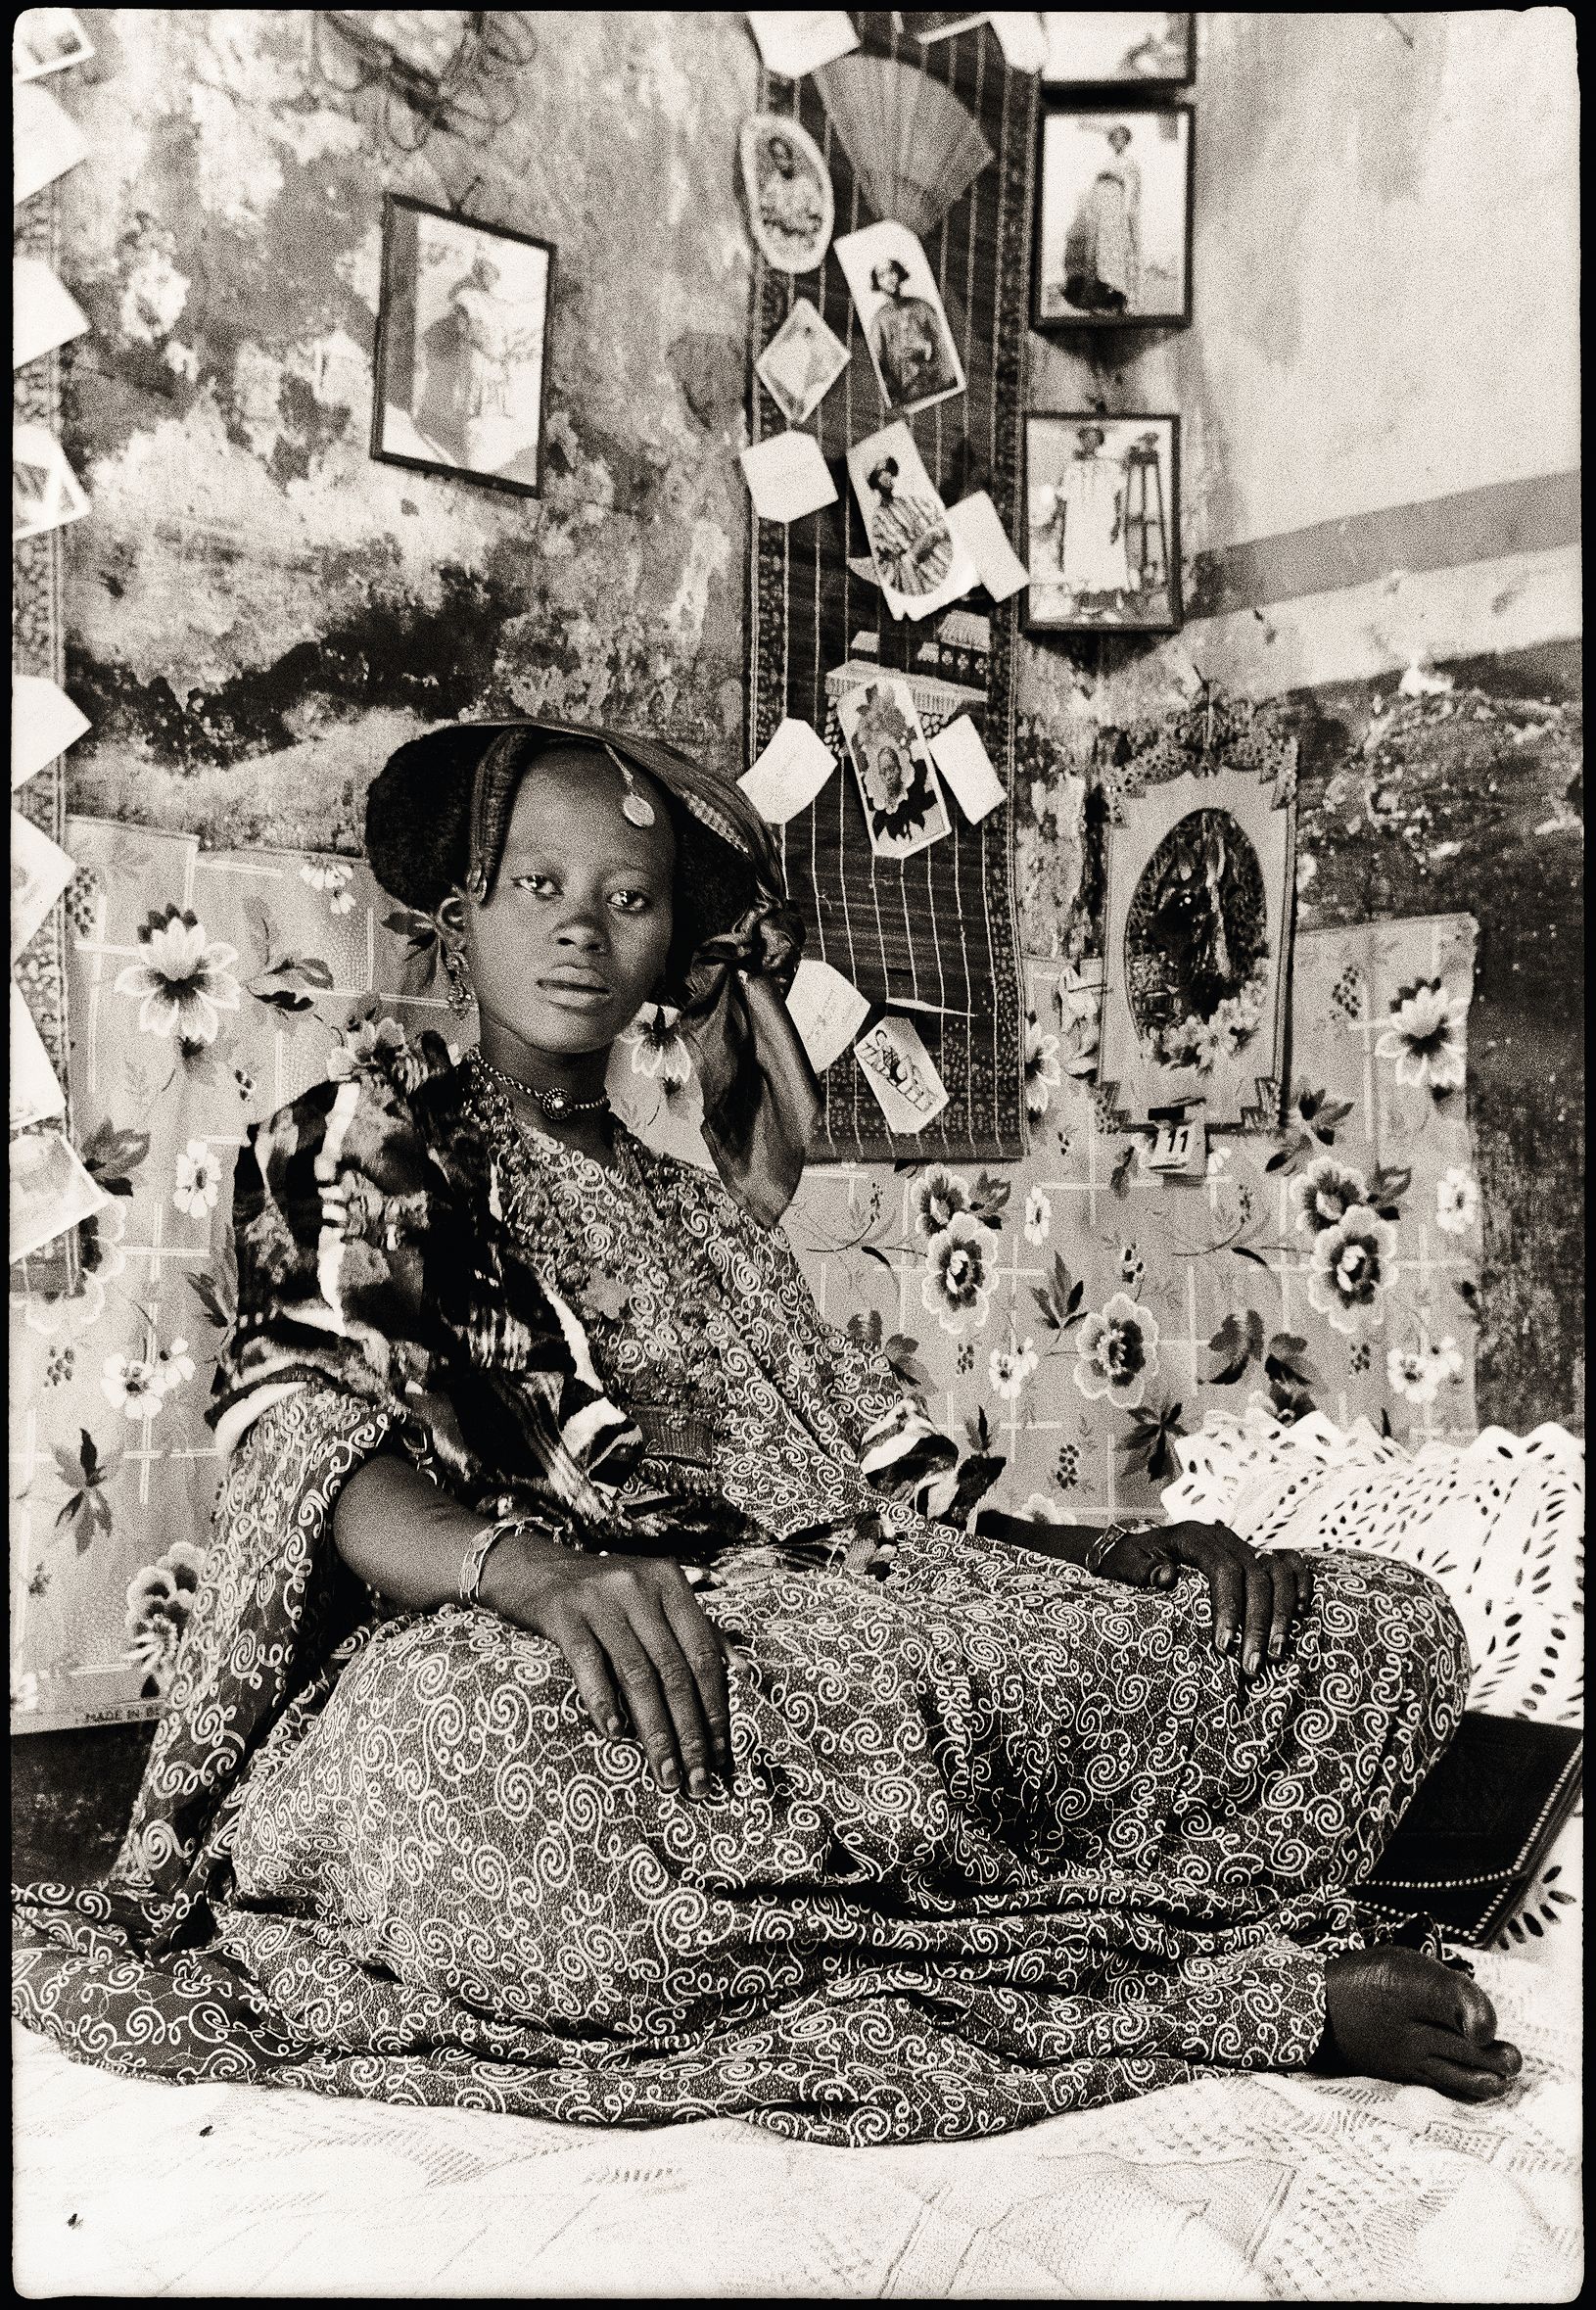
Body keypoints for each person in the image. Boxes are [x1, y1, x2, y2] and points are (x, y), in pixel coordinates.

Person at [12, 719, 1523, 2144]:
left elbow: (885, 1481)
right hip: (533, 1652)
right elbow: (305, 1443)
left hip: (827, 1642)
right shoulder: (356, 1139)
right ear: (462, 911)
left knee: (1373, 1623)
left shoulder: (702, 1211)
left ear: (673, 945)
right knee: (471, 1758)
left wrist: (1118, 1550)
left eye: (629, 899)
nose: (579, 928)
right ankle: (1222, 1985)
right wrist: (532, 1571)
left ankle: (976, 1873)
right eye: (537, 885)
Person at [1061, 120, 1142, 314]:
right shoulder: (1105, 161)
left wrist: (1128, 210)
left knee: (1116, 247)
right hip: (1101, 203)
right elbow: (1095, 187)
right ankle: (1100, 297)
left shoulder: (1130, 162)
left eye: (1121, 138)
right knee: (1096, 248)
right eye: (1114, 138)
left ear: (1126, 141)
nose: (1118, 141)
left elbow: (1133, 189)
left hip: (1116, 204)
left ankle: (1119, 297)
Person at [1053, 424, 1134, 608]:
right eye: (1086, 438)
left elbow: (1117, 496)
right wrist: (1058, 520)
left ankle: (1107, 604)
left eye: (1094, 438)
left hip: (1103, 519)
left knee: (1105, 555)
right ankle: (1084, 603)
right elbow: (1063, 497)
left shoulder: (1108, 466)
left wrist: (1117, 522)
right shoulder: (1072, 468)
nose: (1090, 442)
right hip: (1079, 520)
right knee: (1081, 555)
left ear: (1099, 441)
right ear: (1081, 440)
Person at [868, 254, 961, 409]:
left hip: (937, 381)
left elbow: (945, 342)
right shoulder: (879, 320)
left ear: (899, 273)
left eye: (891, 272)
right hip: (907, 391)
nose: (889, 278)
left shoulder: (922, 306)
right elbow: (877, 361)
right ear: (877, 282)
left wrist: (928, 349)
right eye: (882, 276)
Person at [865, 454, 956, 599]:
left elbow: (941, 523)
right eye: (881, 472)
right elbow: (891, 559)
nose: (887, 475)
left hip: (944, 561)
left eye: (888, 470)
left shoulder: (910, 501)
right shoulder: (879, 520)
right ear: (875, 481)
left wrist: (932, 533)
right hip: (922, 577)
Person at [757, 133, 825, 258]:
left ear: (790, 157)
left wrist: (799, 224)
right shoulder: (773, 183)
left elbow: (818, 222)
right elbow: (762, 214)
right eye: (776, 157)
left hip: (801, 244)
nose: (780, 162)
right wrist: (777, 219)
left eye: (783, 156)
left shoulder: (805, 184)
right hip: (778, 243)